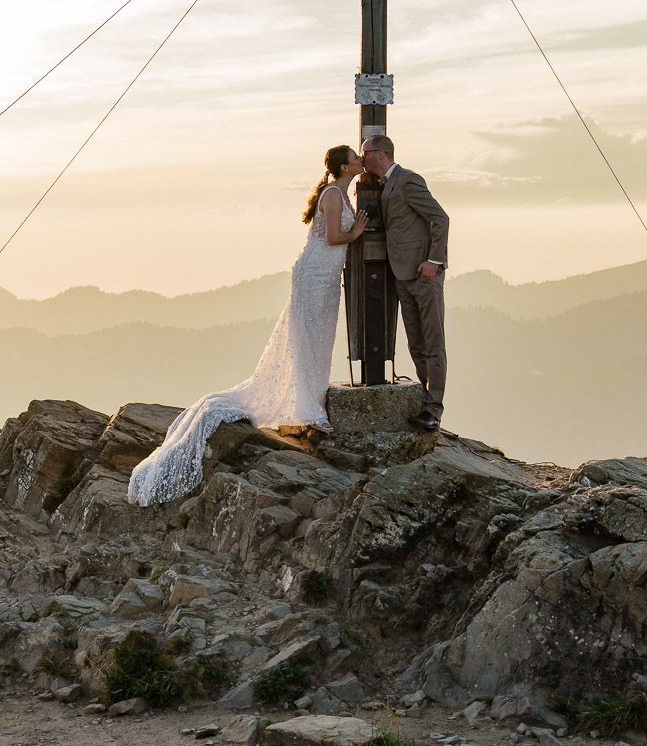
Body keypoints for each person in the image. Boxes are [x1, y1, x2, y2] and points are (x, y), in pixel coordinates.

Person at [128, 144, 367, 506]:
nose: (361, 160)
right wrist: (358, 232)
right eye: (357, 156)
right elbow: (334, 238)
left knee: (319, 338)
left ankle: (310, 402)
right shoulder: (334, 194)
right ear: (345, 165)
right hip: (316, 274)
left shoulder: (340, 191)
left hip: (326, 276)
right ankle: (311, 410)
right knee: (309, 339)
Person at [361, 135, 449, 432]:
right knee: (416, 344)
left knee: (433, 342)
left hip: (424, 276)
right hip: (402, 276)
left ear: (381, 153)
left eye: (366, 153)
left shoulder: (408, 180)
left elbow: (440, 218)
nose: (362, 159)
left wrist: (434, 262)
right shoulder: (386, 184)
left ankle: (434, 410)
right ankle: (425, 402)